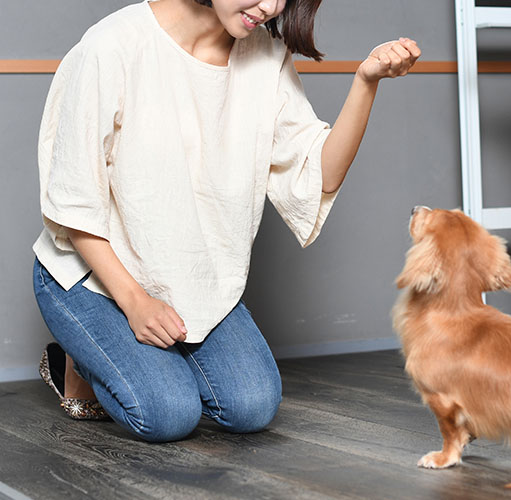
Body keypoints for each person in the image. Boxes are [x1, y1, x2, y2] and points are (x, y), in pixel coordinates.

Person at [32, 0, 420, 442]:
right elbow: (73, 201)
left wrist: (365, 83)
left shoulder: (266, 54)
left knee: (253, 406)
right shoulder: (112, 45)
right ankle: (76, 365)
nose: (271, 6)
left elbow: (319, 173)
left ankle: (139, 360)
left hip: (188, 280)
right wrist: (136, 303)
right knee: (167, 415)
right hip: (91, 276)